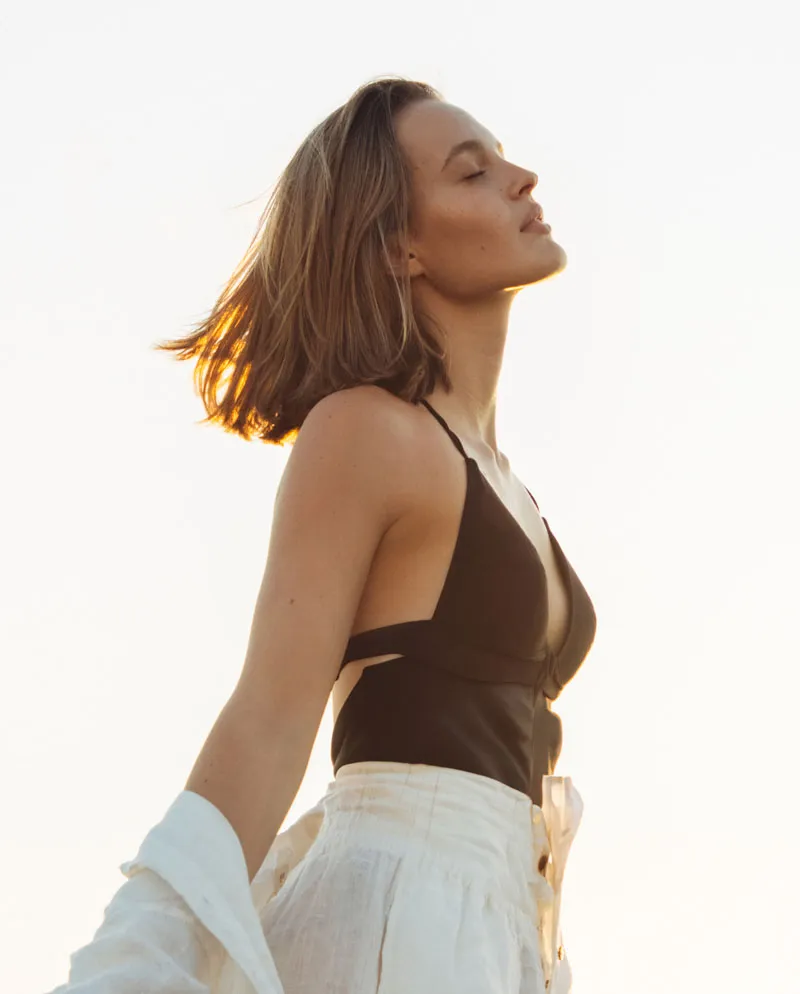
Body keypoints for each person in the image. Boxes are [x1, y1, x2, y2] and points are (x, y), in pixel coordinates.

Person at [48, 75, 597, 994]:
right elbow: (269, 716)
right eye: (473, 173)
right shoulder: (367, 430)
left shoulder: (508, 483)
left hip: (495, 923)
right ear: (399, 246)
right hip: (396, 914)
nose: (522, 177)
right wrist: (139, 957)